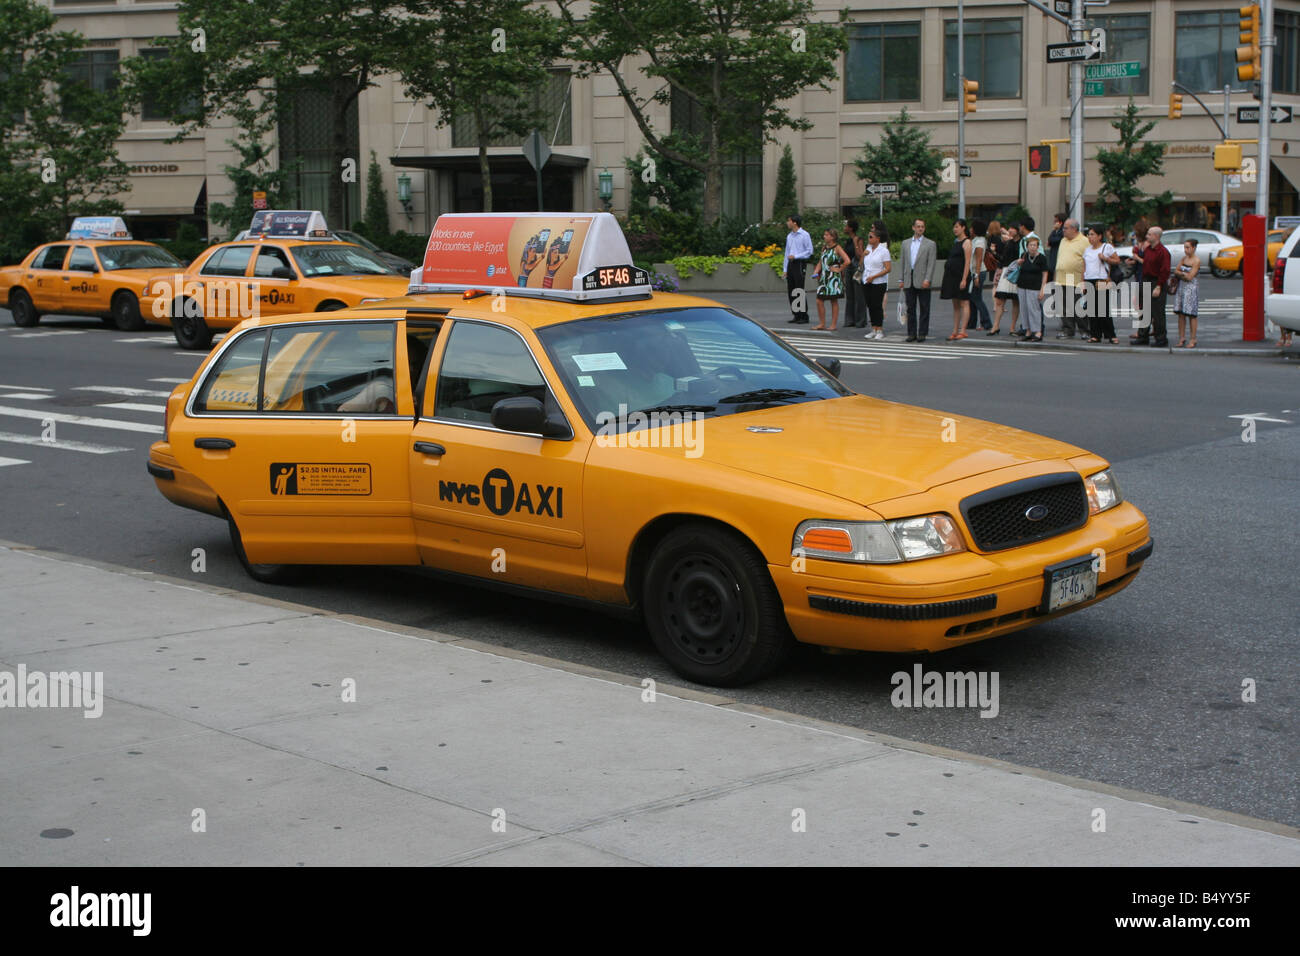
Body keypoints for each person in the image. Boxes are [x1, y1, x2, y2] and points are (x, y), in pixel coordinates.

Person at [898, 217, 937, 342]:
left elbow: (931, 264)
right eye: (918, 226)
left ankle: (922, 333)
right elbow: (903, 262)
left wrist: (928, 279)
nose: (920, 228)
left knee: (924, 307)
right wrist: (901, 279)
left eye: (922, 227)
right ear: (913, 228)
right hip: (909, 279)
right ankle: (911, 333)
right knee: (910, 308)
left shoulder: (930, 244)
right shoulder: (905, 243)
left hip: (923, 280)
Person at [1082, 224, 1121, 344]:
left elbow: (1117, 260)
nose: (1090, 237)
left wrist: (1106, 259)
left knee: (1103, 309)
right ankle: (1095, 334)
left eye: (1092, 234)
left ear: (1099, 236)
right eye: (1088, 234)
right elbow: (1084, 268)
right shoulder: (1087, 250)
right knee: (1092, 310)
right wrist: (1083, 283)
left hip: (1102, 280)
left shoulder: (1106, 247)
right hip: (1090, 280)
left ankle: (1111, 335)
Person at [1053, 218, 1090, 338]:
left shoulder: (1084, 241)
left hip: (1075, 278)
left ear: (1074, 229)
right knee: (1064, 307)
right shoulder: (1063, 240)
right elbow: (1059, 259)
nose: (1063, 230)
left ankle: (1085, 330)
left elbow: (1087, 262)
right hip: (1061, 278)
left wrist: (1084, 281)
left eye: (1065, 228)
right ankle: (1068, 330)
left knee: (1078, 306)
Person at [1136, 225, 1171, 347]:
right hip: (1146, 280)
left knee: (1157, 313)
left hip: (1156, 282)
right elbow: (1145, 265)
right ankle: (1143, 336)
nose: (1147, 236)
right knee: (1144, 311)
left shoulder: (1163, 252)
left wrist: (1159, 286)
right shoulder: (1148, 250)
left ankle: (1161, 338)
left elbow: (1165, 271)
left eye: (1149, 234)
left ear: (1156, 236)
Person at [810, 228, 850, 331]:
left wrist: (839, 269)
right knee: (819, 300)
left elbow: (847, 260)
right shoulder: (824, 248)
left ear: (832, 237)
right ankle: (822, 323)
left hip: (833, 278)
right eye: (824, 235)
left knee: (833, 300)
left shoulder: (837, 248)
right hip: (824, 277)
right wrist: (816, 271)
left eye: (827, 235)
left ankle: (833, 324)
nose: (824, 236)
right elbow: (821, 261)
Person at [941, 219, 972, 340]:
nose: (955, 229)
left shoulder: (967, 242)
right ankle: (955, 330)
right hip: (951, 276)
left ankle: (963, 330)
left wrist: (964, 279)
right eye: (954, 227)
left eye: (957, 226)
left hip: (961, 276)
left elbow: (967, 262)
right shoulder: (956, 242)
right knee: (955, 304)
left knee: (964, 302)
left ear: (963, 228)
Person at [861, 223, 892, 340]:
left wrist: (874, 276)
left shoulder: (883, 251)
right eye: (868, 237)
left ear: (877, 239)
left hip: (878, 282)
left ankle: (880, 329)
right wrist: (862, 255)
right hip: (867, 280)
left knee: (877, 305)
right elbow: (861, 264)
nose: (869, 239)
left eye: (871, 237)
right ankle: (873, 328)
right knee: (870, 305)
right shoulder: (868, 249)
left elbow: (888, 268)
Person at [1016, 235, 1049, 342]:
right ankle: (1028, 331)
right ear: (1027, 246)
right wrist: (1018, 264)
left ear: (1038, 247)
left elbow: (1045, 274)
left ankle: (1038, 331)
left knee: (1034, 309)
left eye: (1035, 245)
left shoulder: (1041, 258)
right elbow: (1019, 269)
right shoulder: (1023, 256)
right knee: (1024, 309)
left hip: (1034, 287)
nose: (1033, 247)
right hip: (1022, 285)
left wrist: (1043, 289)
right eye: (1031, 245)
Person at [782, 214, 814, 324]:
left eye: (789, 220)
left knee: (799, 289)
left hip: (799, 263)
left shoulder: (804, 235)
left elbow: (809, 251)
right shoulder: (789, 236)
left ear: (794, 222)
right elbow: (787, 252)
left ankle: (803, 315)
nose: (787, 222)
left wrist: (796, 256)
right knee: (791, 289)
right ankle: (796, 314)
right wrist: (785, 269)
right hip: (791, 264)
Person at [992, 223, 1020, 334]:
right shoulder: (1008, 243)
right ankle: (995, 326)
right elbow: (1003, 258)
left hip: (1016, 272)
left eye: (1012, 228)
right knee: (999, 300)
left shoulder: (1021, 243)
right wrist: (994, 253)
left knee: (1015, 301)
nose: (1010, 230)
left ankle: (1012, 327)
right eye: (1010, 228)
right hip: (1005, 271)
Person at [1172, 238, 1201, 348]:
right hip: (1181, 288)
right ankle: (1182, 338)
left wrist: (1181, 273)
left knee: (1191, 314)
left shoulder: (1196, 261)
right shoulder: (1184, 258)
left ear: (1194, 248)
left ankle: (1193, 339)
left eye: (1188, 247)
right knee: (1181, 314)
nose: (1185, 249)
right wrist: (1183, 273)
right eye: (1184, 247)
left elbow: (1190, 277)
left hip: (1191, 289)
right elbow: (1176, 270)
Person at [967, 218, 993, 331]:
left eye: (972, 227)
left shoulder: (979, 242)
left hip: (978, 272)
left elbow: (978, 260)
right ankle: (971, 323)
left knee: (976, 298)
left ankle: (986, 322)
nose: (970, 229)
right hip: (974, 272)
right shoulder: (976, 240)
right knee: (972, 298)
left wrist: (976, 276)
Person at [842, 218, 867, 328]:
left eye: (846, 226)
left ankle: (860, 320)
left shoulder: (858, 239)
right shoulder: (847, 241)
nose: (845, 228)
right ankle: (849, 319)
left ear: (851, 228)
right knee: (850, 295)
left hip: (857, 268)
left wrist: (856, 243)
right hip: (848, 268)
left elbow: (860, 255)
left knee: (859, 295)